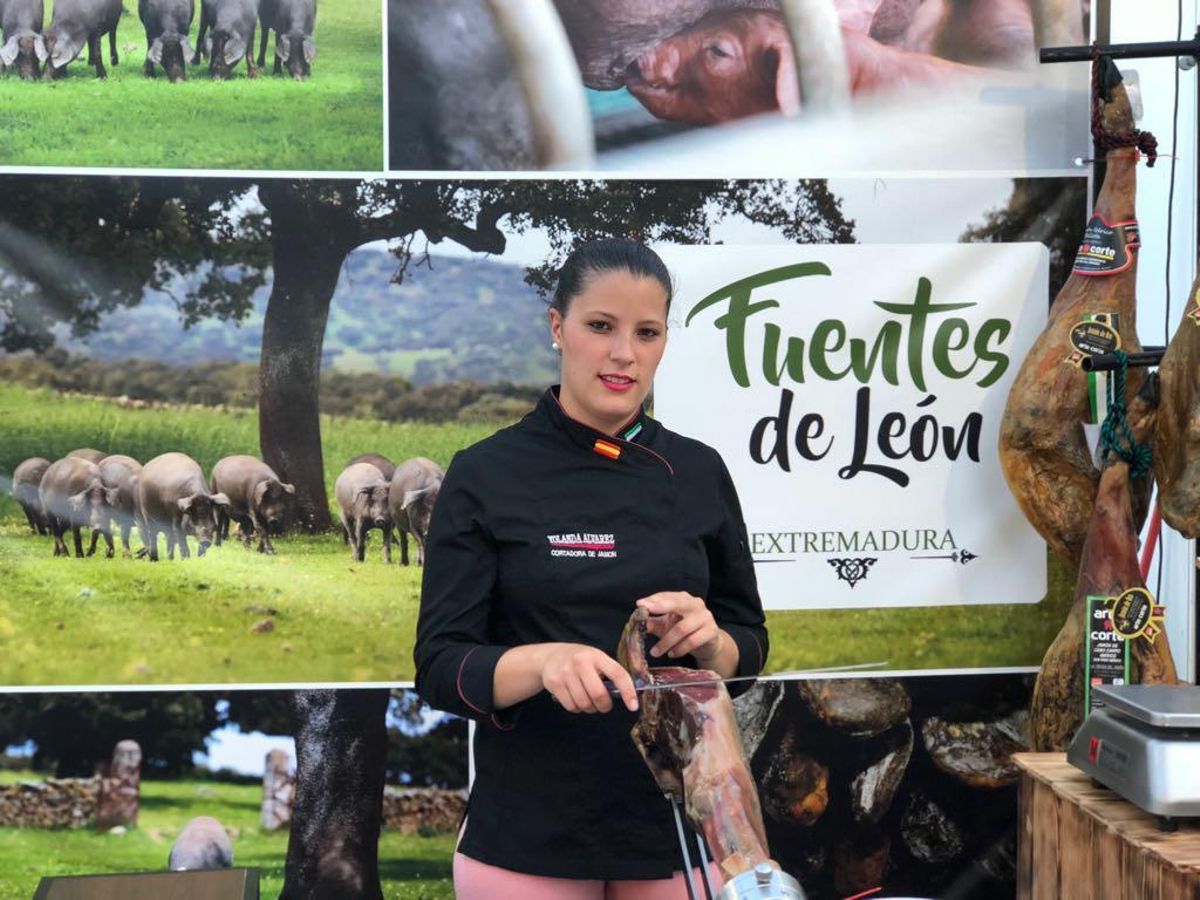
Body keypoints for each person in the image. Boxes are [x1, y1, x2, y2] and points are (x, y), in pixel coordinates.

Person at [414, 238, 769, 898]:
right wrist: (544, 663)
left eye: (647, 332)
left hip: (678, 833)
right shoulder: (485, 473)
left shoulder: (697, 472)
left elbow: (748, 650)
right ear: (558, 328)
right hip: (529, 836)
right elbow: (439, 668)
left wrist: (711, 642)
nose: (623, 354)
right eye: (600, 326)